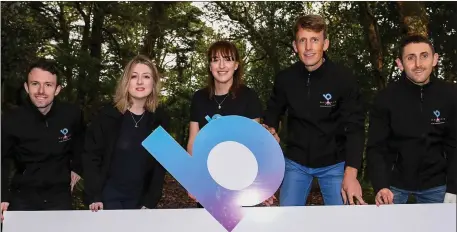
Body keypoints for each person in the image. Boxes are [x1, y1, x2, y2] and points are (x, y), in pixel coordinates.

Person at [262, 15, 366, 206]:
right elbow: (272, 112)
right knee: (287, 221)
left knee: (343, 223)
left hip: (334, 164)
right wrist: (270, 129)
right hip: (296, 163)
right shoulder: (285, 79)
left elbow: (355, 128)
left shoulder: (343, 78)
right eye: (303, 40)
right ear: (295, 46)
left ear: (325, 44)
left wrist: (351, 173)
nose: (308, 47)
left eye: (314, 40)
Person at [366, 35, 457, 205]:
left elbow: (454, 146)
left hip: (438, 186)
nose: (418, 64)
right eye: (410, 58)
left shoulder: (451, 95)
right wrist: (381, 186)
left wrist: (454, 188)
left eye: (424, 56)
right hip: (394, 188)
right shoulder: (385, 98)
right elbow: (376, 147)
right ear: (400, 63)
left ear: (435, 59)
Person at [186, 40, 276, 207]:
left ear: (236, 65)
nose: (221, 65)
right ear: (209, 65)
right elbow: (193, 142)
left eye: (227, 59)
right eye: (215, 59)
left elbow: (255, 145)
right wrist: (193, 179)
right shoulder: (199, 98)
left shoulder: (249, 97)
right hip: (209, 181)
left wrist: (262, 186)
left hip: (242, 180)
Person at [82, 55, 169, 211]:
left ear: (153, 83)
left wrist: (150, 201)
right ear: (126, 82)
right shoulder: (107, 116)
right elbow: (91, 157)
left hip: (139, 201)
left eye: (146, 76)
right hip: (107, 198)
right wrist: (94, 196)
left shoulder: (159, 120)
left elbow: (159, 165)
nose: (140, 82)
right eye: (134, 76)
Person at [1, 59, 84, 219]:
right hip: (23, 195)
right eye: (35, 84)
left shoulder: (71, 115)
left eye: (48, 85)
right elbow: (2, 159)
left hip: (59, 195)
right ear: (26, 87)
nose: (41, 90)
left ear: (57, 89)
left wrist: (77, 168)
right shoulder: (11, 120)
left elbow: (80, 143)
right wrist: (2, 196)